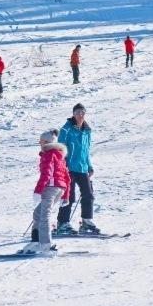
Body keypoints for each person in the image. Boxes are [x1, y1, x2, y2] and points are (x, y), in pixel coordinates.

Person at [19, 130, 71, 254]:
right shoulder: (59, 156)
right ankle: (36, 241)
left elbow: (46, 174)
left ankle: (46, 244)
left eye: (41, 141)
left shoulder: (49, 154)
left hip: (50, 188)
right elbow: (67, 177)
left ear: (47, 142)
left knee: (44, 216)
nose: (40, 144)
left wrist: (38, 191)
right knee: (38, 214)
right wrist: (66, 196)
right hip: (59, 188)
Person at [55, 103, 98, 235]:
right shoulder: (66, 129)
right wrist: (62, 164)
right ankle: (63, 223)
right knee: (69, 196)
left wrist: (89, 166)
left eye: (82, 112)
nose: (80, 115)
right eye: (78, 112)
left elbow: (86, 151)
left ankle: (86, 221)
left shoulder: (87, 131)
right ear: (73, 114)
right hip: (68, 167)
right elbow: (60, 148)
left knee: (88, 194)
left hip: (82, 167)